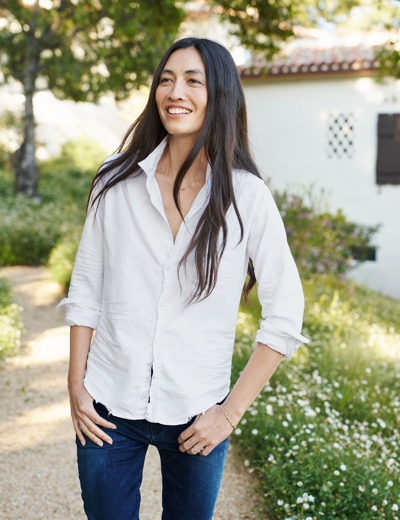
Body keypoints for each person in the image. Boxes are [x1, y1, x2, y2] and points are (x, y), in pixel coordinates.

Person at [55, 37, 309, 520]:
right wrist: (76, 384)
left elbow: (284, 315)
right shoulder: (116, 182)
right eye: (167, 79)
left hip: (199, 412)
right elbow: (85, 289)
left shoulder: (247, 197)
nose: (176, 91)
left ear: (220, 95)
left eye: (194, 80)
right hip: (107, 404)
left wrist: (228, 414)